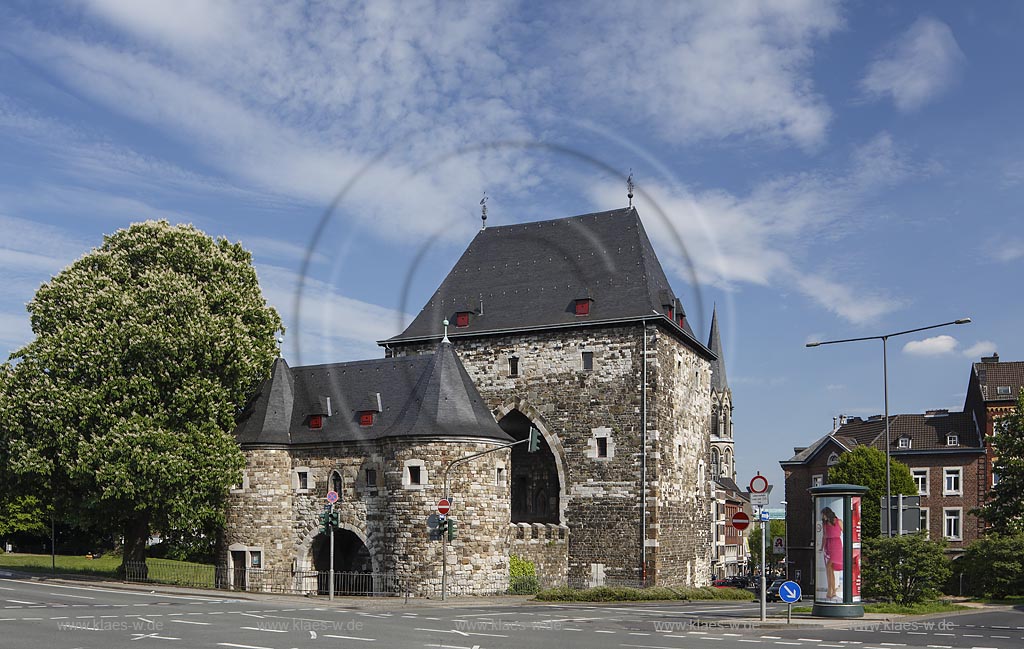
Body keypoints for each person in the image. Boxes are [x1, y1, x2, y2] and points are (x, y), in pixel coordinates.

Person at [821, 506, 843, 600]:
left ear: (827, 514)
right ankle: (831, 590)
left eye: (823, 515)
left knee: (830, 567)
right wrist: (821, 547)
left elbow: (846, 531)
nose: (823, 517)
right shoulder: (825, 524)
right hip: (828, 545)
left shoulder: (838, 521)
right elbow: (824, 536)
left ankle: (831, 591)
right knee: (830, 569)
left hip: (836, 544)